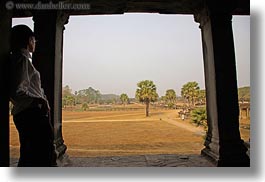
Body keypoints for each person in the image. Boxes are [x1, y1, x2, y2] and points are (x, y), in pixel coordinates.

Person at [9, 25, 56, 167]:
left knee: (31, 154)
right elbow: (17, 91)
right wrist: (39, 100)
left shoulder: (20, 59)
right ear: (29, 40)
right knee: (41, 155)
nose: (35, 43)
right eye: (34, 40)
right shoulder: (21, 60)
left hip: (28, 113)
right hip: (31, 114)